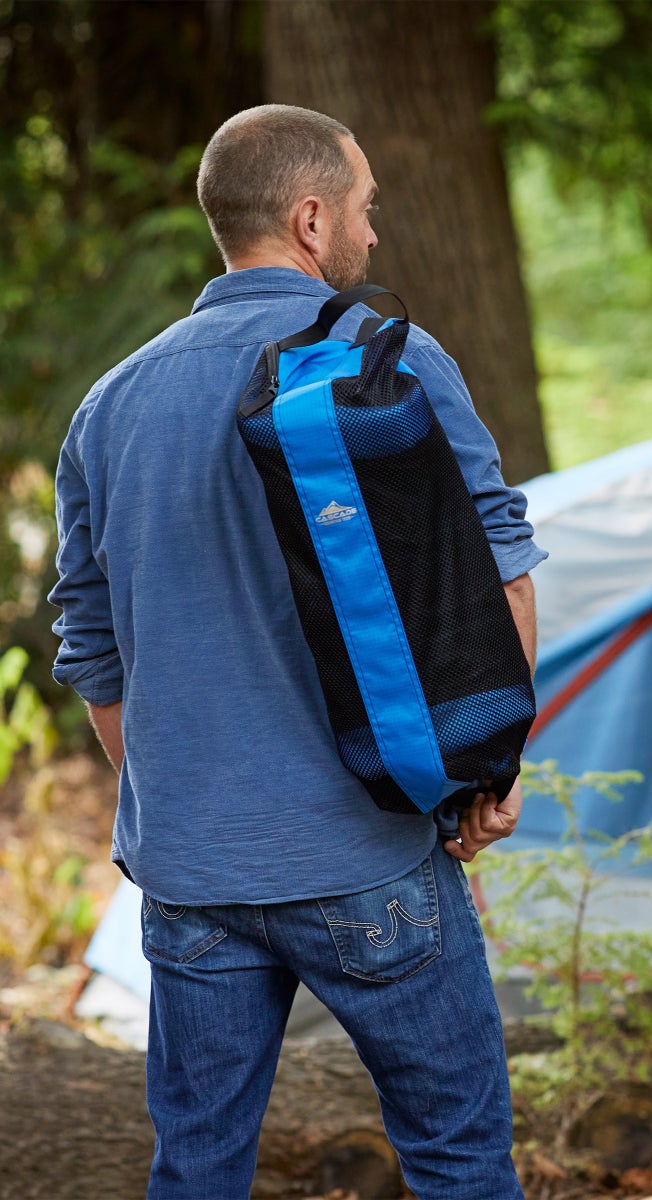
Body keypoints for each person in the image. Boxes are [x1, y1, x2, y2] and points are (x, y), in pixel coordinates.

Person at [48, 104, 542, 1200]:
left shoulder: (110, 405)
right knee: (460, 1162)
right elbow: (500, 565)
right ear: (311, 218)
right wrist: (488, 774)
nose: (374, 233)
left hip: (189, 880)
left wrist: (188, 804)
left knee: (199, 1171)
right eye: (364, 209)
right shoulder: (386, 362)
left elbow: (93, 649)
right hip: (363, 857)